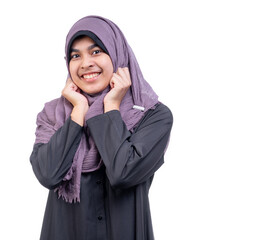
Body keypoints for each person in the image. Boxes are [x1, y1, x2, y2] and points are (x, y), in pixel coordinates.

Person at [30, 15, 173, 240]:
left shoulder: (153, 116)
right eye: (75, 55)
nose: (85, 63)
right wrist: (78, 113)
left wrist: (111, 108)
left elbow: (123, 173)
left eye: (96, 51)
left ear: (117, 54)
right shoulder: (52, 116)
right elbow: (49, 175)